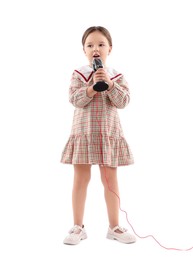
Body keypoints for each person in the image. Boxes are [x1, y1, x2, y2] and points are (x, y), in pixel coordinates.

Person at [61, 26, 136, 245]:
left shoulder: (117, 76)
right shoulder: (79, 74)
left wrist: (110, 84)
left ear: (109, 49)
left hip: (107, 133)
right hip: (83, 133)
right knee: (81, 179)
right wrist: (92, 87)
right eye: (90, 45)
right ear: (84, 50)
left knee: (110, 180)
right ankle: (77, 226)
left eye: (101, 44)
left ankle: (114, 227)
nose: (96, 48)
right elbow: (75, 99)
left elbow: (123, 102)